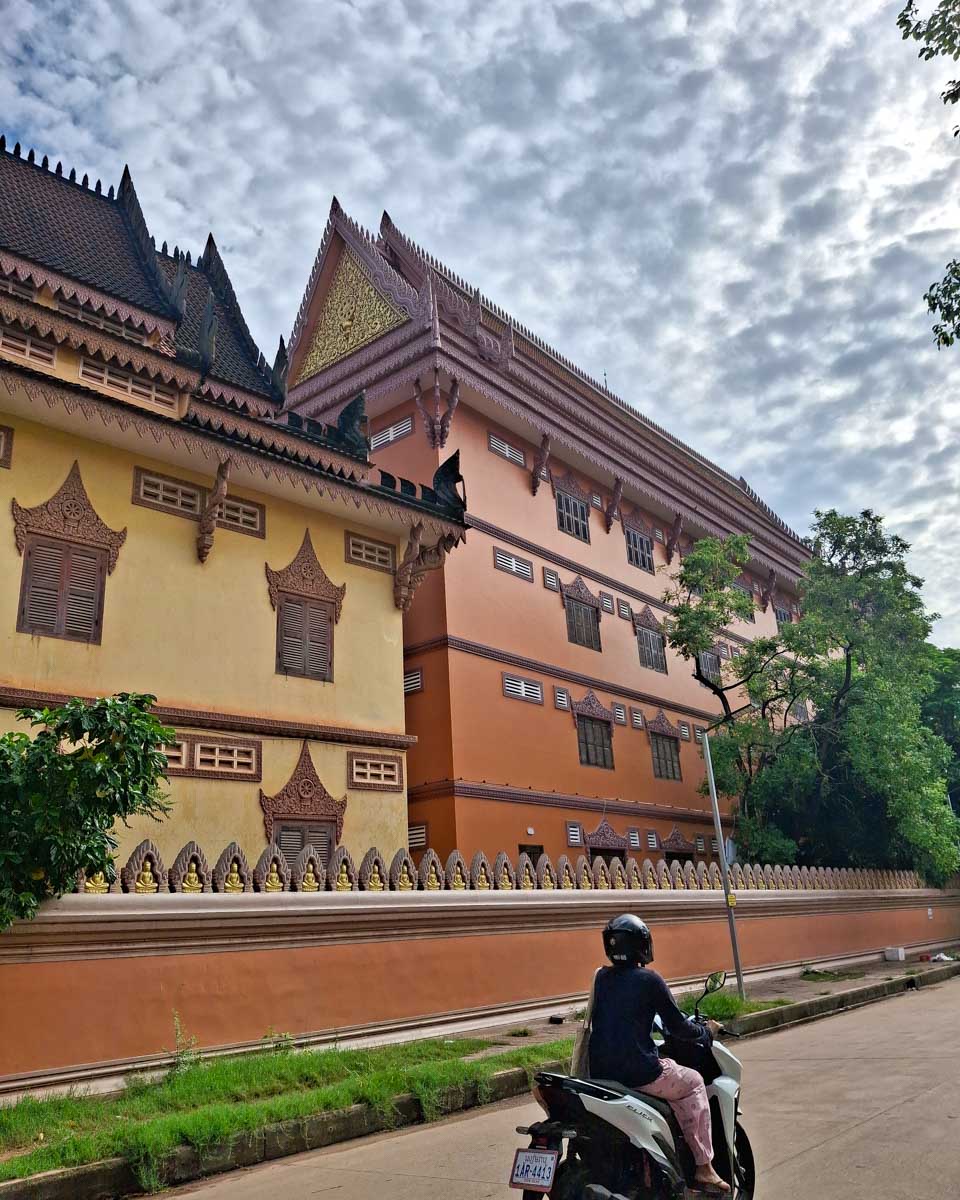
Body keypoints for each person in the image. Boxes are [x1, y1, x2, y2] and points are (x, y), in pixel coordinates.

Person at [586, 913, 730, 1194]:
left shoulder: (601, 978)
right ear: (642, 945)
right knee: (693, 1082)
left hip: (602, 1072)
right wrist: (706, 1032)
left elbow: (619, 1015)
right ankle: (704, 1168)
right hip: (641, 1072)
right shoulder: (649, 980)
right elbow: (678, 1026)